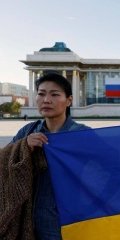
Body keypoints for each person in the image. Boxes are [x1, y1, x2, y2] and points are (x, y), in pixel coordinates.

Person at [10, 72, 90, 239]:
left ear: (69, 100)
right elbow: (6, 163)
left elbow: (113, 169)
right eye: (41, 94)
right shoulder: (28, 131)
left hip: (67, 221)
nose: (46, 100)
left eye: (54, 94)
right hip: (27, 221)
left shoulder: (82, 135)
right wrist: (24, 147)